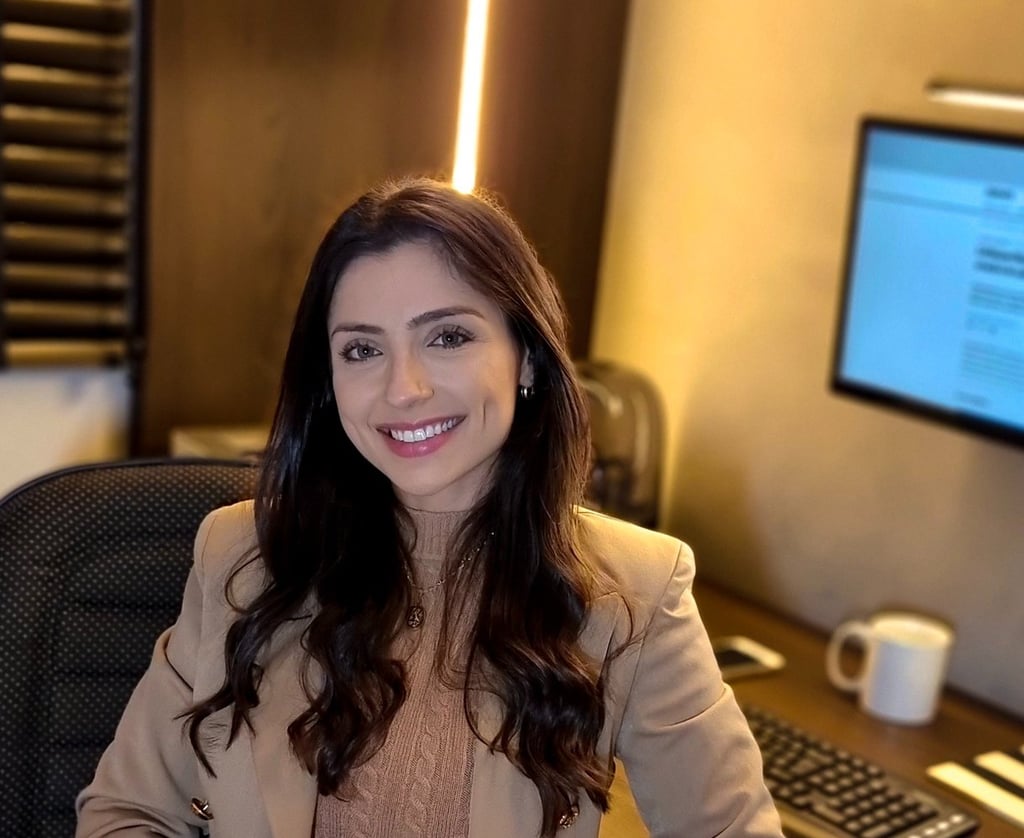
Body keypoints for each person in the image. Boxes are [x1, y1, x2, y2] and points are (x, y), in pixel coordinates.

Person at [76, 177, 783, 837]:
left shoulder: (637, 591)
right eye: (362, 350)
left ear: (526, 356)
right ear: (328, 379)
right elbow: (126, 812)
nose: (404, 389)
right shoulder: (242, 554)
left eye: (448, 337)